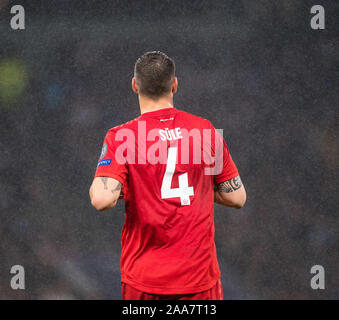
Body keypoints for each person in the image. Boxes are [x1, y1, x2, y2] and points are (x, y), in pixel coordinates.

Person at [89, 51, 246, 300]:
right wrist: (199, 189)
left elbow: (102, 200)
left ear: (134, 85)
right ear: (174, 85)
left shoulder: (121, 137)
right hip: (199, 280)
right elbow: (237, 197)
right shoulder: (205, 131)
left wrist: (141, 189)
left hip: (145, 281)